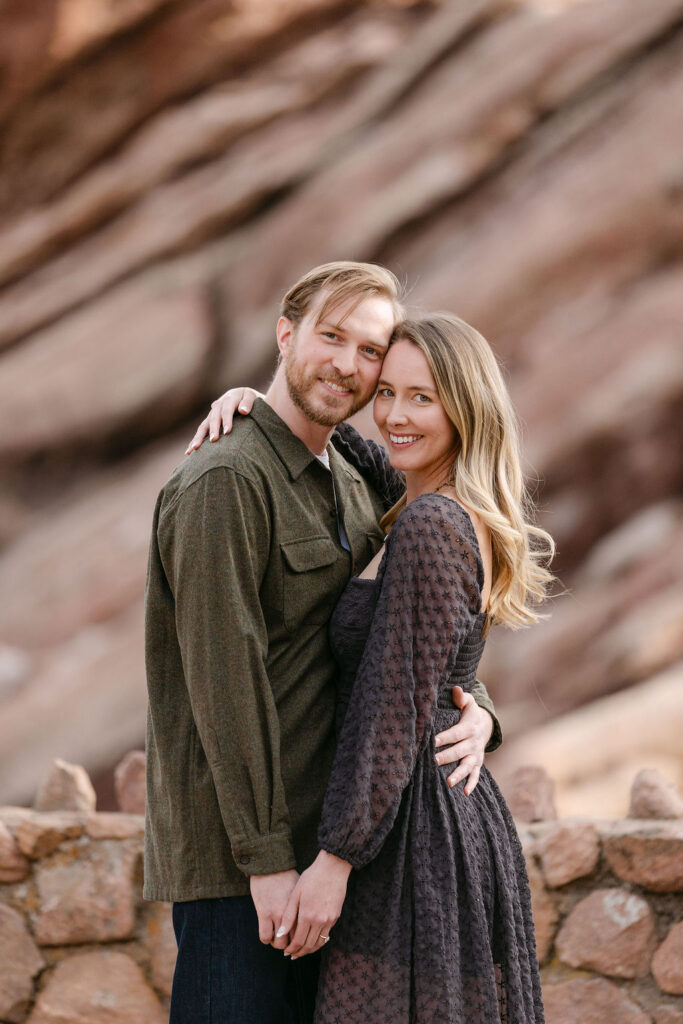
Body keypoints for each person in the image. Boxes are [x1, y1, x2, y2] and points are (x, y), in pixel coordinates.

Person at [144, 262, 502, 1024]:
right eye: (329, 337)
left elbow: (415, 633)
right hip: (247, 869)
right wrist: (268, 864)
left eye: (368, 351)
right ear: (284, 335)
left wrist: (480, 713)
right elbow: (223, 687)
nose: (348, 364)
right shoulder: (225, 482)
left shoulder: (352, 473)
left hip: (329, 855)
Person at [206, 312, 554, 1022]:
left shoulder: (431, 526)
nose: (395, 414)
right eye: (386, 391)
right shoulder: (435, 502)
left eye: (421, 397)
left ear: (466, 407)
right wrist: (259, 402)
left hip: (413, 837)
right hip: (428, 816)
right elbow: (358, 445)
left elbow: (391, 707)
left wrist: (334, 862)